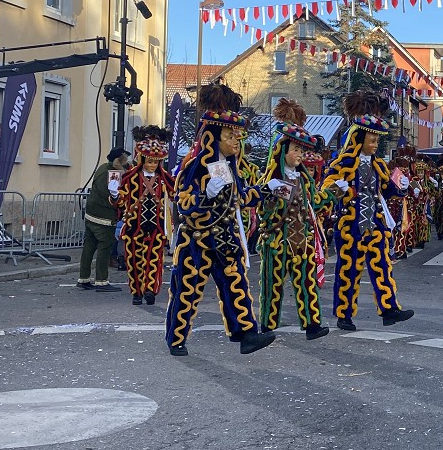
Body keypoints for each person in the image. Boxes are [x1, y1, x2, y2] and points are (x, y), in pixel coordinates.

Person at [165, 84, 276, 356]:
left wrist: (267, 189)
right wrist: (205, 193)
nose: (236, 142)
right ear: (214, 136)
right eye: (230, 135)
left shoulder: (230, 167)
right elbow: (184, 202)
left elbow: (239, 198)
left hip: (226, 239)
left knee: (235, 285)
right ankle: (176, 339)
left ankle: (246, 334)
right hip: (198, 241)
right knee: (187, 290)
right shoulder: (196, 166)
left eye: (237, 136)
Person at [320, 91, 414, 332]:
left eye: (376, 141)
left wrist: (400, 188)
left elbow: (387, 189)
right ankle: (344, 315)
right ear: (359, 139)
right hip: (350, 226)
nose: (375, 145)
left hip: (375, 224)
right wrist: (338, 189)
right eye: (372, 141)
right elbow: (327, 187)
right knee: (348, 272)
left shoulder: (378, 165)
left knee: (382, 267)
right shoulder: (342, 163)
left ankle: (390, 309)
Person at [257, 99, 331, 340]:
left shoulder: (304, 179)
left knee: (307, 284)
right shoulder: (270, 179)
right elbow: (262, 212)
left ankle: (312, 325)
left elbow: (316, 202)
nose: (299, 155)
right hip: (277, 241)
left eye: (302, 150)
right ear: (283, 151)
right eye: (295, 150)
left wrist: (335, 193)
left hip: (303, 241)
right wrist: (270, 195)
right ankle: (267, 325)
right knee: (272, 285)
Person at [116, 126, 174, 306]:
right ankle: (137, 292)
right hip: (134, 227)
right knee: (134, 261)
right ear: (142, 159)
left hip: (157, 227)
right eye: (149, 161)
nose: (152, 165)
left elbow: (177, 196)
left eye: (155, 162)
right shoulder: (131, 178)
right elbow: (119, 201)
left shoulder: (165, 179)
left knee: (154, 260)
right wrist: (114, 195)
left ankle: (150, 290)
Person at [78, 146, 131, 292]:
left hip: (91, 213)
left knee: (89, 247)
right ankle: (101, 280)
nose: (127, 164)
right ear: (118, 161)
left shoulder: (102, 168)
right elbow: (114, 195)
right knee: (104, 248)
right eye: (125, 161)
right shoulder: (114, 173)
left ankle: (84, 278)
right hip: (104, 217)